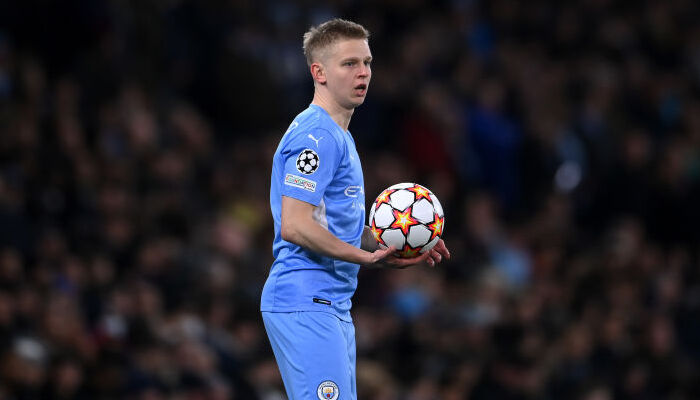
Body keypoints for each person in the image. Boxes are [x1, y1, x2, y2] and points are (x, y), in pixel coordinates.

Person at [261, 18, 451, 400]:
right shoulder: (316, 136)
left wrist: (400, 242)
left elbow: (336, 228)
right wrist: (365, 258)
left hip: (330, 303)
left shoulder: (340, 136)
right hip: (306, 300)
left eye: (367, 62)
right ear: (319, 73)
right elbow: (295, 225)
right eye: (349, 63)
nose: (363, 72)